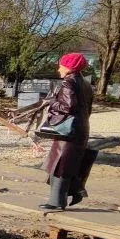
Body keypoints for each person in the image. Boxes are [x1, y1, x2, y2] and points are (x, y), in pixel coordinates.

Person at [39, 52, 94, 211]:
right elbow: (87, 108)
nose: (59, 69)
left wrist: (52, 102)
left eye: (61, 66)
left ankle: (57, 201)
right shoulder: (86, 84)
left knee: (59, 165)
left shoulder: (68, 82)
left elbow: (67, 106)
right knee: (68, 164)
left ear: (69, 67)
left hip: (67, 131)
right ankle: (75, 191)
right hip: (80, 128)